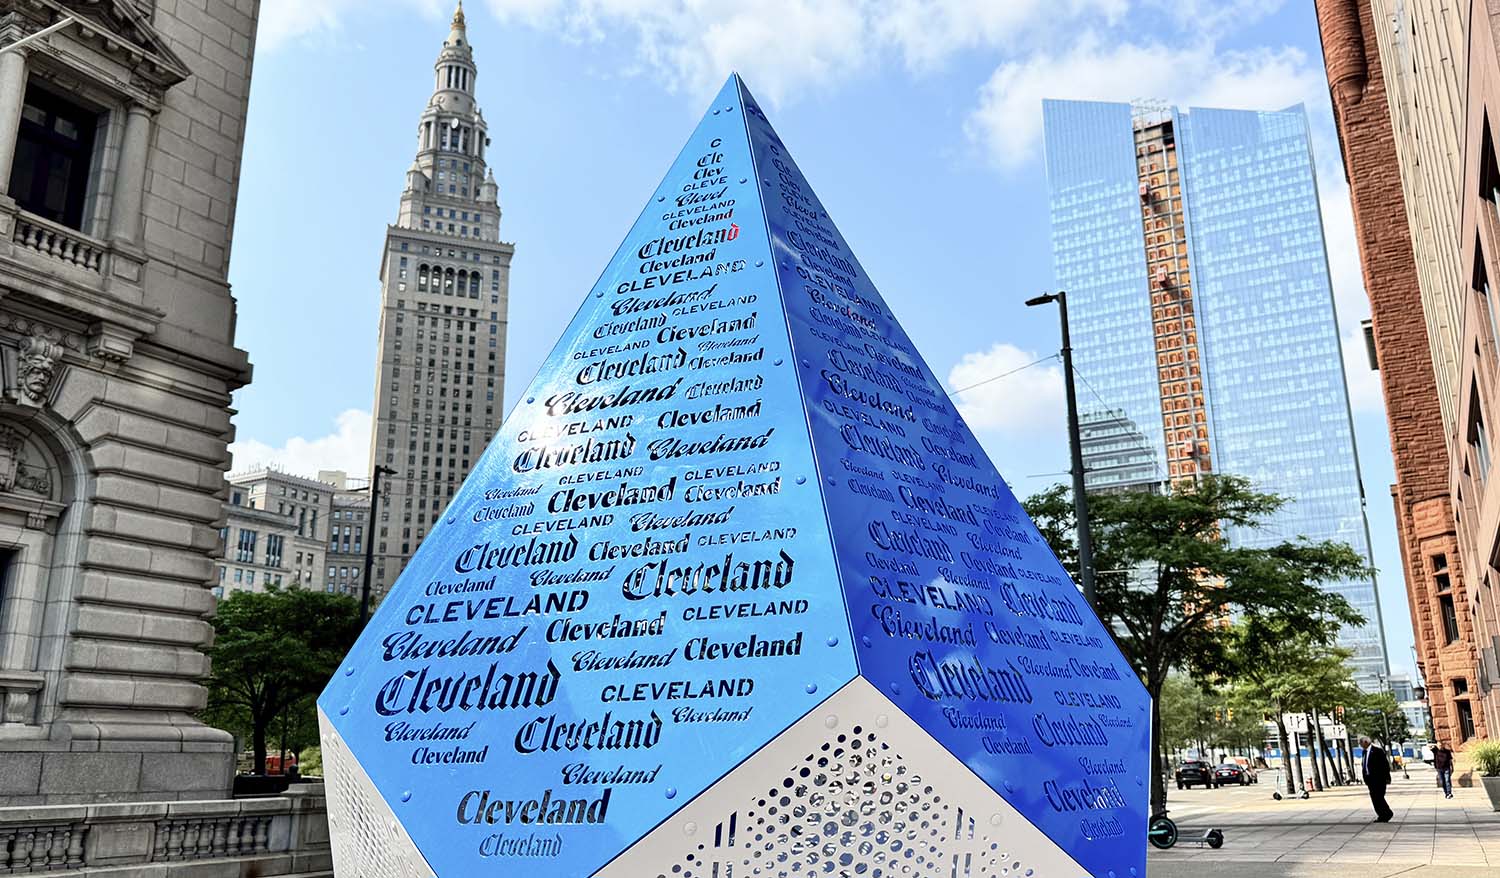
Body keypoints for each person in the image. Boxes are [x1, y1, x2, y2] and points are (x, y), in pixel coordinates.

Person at [1361, 736, 1394, 822]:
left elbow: (1385, 764)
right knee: (1374, 798)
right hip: (1369, 779)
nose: (1360, 745)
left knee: (1379, 797)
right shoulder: (1364, 752)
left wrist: (1387, 777)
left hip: (1379, 778)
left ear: (1366, 742)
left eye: (1361, 743)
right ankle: (1382, 815)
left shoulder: (1377, 751)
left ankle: (1387, 813)